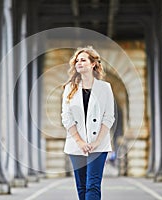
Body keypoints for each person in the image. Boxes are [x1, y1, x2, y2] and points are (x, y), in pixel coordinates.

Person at [61, 46, 115, 200]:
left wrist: (97, 142)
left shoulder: (105, 88)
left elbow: (109, 117)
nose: (79, 63)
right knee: (82, 186)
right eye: (77, 61)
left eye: (83, 60)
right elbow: (66, 117)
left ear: (93, 64)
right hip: (76, 144)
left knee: (93, 185)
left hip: (99, 145)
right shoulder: (70, 88)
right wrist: (80, 141)